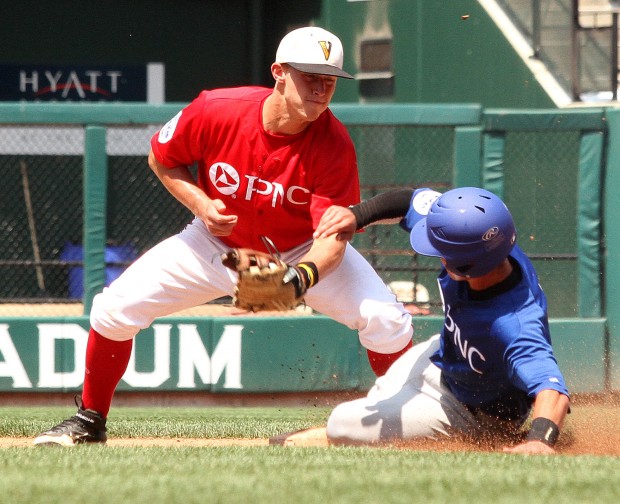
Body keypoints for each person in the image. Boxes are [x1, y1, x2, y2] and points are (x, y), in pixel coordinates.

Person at [33, 26, 413, 446]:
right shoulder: (218, 109)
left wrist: (298, 279)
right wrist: (201, 205)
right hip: (215, 245)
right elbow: (162, 159)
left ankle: (405, 422)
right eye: (310, 76)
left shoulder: (334, 144)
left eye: (329, 80)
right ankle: (88, 421)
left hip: (299, 250)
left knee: (388, 321)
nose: (321, 89)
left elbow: (332, 239)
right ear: (279, 72)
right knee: (113, 309)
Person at [314, 186, 570, 454]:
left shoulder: (514, 324)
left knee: (341, 424)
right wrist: (357, 214)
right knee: (378, 401)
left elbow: (552, 390)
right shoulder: (476, 239)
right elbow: (409, 201)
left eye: (440, 248)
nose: (435, 250)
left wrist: (540, 440)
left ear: (463, 265)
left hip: (471, 412)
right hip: (441, 357)